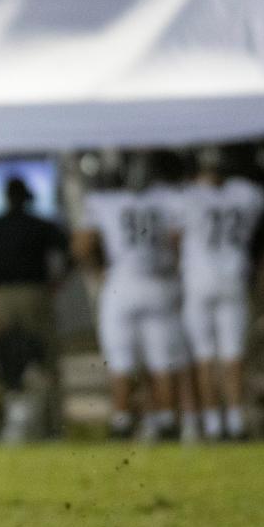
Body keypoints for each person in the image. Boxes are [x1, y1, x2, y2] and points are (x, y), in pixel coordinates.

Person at [73, 156, 188, 441]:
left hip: (121, 282)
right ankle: (165, 419)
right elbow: (178, 240)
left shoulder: (105, 202)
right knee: (162, 359)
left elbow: (82, 246)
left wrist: (98, 272)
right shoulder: (167, 199)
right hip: (158, 281)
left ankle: (122, 419)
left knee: (121, 358)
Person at [175, 145, 264, 440]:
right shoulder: (249, 193)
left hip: (199, 281)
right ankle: (236, 421)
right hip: (233, 277)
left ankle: (214, 423)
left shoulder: (188, 196)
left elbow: (175, 236)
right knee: (233, 355)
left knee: (204, 356)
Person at [0, 176, 70, 438]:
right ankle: (52, 427)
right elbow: (70, 253)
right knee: (44, 359)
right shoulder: (41, 225)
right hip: (33, 294)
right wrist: (58, 283)